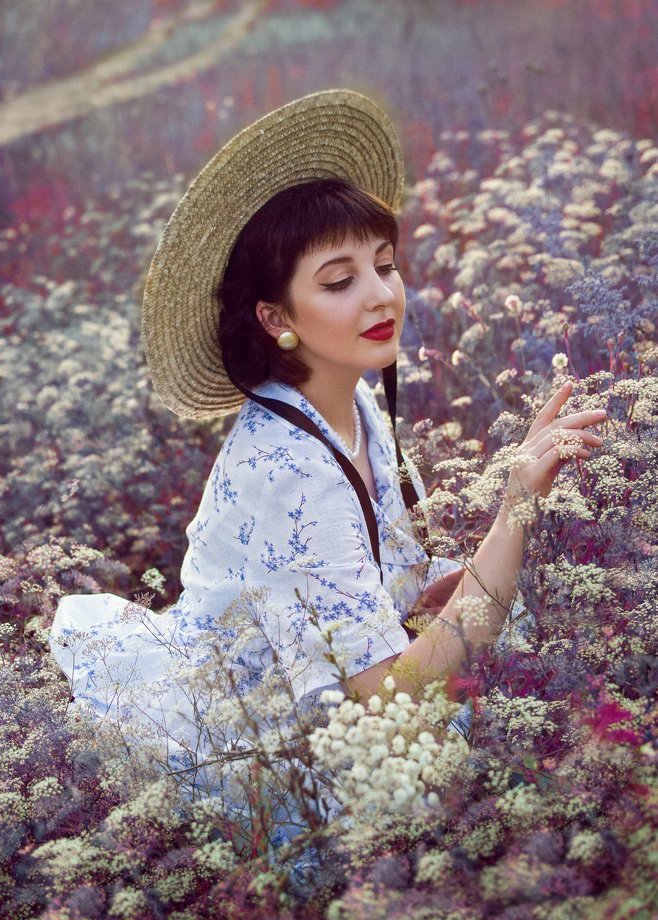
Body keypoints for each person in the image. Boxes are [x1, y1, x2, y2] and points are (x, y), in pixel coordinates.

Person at [49, 90, 607, 847]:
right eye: (340, 281)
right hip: (271, 738)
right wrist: (514, 510)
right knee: (435, 792)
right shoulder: (289, 469)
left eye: (384, 265)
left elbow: (373, 582)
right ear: (276, 319)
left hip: (329, 686)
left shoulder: (347, 399)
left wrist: (439, 584)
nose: (382, 295)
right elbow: (385, 702)